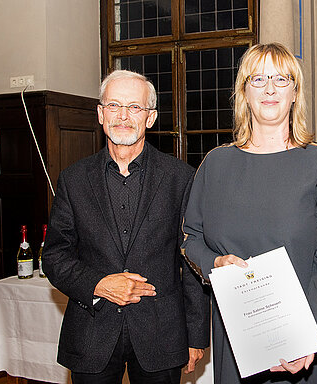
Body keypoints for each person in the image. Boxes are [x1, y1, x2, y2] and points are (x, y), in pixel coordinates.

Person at [182, 43, 317, 384]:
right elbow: (190, 239)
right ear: (244, 91)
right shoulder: (215, 164)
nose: (270, 88)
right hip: (237, 342)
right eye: (258, 79)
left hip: (303, 347)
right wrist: (215, 263)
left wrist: (305, 335)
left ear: (294, 92)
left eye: (281, 79)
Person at [42, 70, 210, 383]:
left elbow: (193, 260)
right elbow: (54, 256)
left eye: (135, 107)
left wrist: (196, 335)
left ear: (150, 118)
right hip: (92, 333)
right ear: (100, 114)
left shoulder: (182, 178)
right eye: (114, 106)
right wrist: (98, 284)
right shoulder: (73, 180)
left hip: (162, 335)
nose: (123, 116)